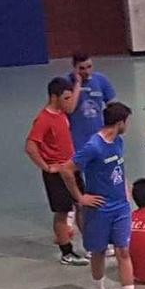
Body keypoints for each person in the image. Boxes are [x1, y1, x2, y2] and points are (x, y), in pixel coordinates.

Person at [59, 102, 142, 289]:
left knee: (123, 250)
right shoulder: (93, 146)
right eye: (127, 122)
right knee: (99, 252)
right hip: (100, 209)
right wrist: (80, 197)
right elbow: (67, 170)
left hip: (121, 207)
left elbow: (118, 169)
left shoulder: (119, 142)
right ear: (120, 122)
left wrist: (125, 190)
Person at [25, 77, 89, 265]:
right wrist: (47, 167)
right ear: (54, 97)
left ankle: (91, 244)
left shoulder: (62, 113)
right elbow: (30, 146)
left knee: (82, 204)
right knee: (62, 212)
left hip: (71, 168)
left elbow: (70, 109)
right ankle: (67, 253)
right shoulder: (43, 119)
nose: (69, 102)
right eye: (66, 98)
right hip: (57, 173)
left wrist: (77, 84)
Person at [66, 52, 116, 151]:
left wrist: (111, 130)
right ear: (74, 67)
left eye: (89, 67)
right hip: (75, 137)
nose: (87, 72)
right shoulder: (66, 83)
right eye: (82, 68)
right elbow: (68, 109)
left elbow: (114, 108)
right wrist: (78, 83)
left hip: (97, 135)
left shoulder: (101, 80)